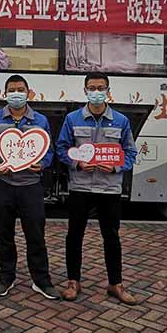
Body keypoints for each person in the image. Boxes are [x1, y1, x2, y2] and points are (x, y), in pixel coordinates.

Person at [56, 72, 139, 305]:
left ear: (108, 91)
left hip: (109, 188)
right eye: (92, 88)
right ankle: (73, 282)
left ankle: (116, 284)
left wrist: (115, 167)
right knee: (74, 235)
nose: (96, 92)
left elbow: (131, 152)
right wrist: (76, 162)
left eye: (101, 88)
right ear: (85, 91)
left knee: (111, 236)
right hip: (80, 186)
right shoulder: (72, 119)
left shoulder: (121, 121)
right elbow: (61, 148)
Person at [0, 75, 61, 300]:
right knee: (4, 235)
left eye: (20, 89)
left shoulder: (40, 120)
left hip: (30, 186)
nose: (16, 94)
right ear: (5, 93)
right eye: (11, 90)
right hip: (3, 184)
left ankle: (41, 280)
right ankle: (6, 277)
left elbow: (49, 151)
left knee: (36, 235)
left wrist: (42, 164)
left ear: (28, 92)